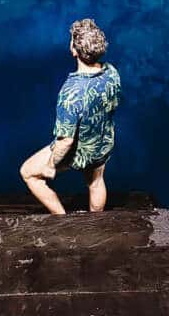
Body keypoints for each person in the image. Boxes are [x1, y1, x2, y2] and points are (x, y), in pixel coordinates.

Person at [20, 18, 121, 215]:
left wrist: (51, 166)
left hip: (79, 152)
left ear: (74, 50)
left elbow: (66, 141)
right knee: (96, 182)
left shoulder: (71, 94)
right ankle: (96, 224)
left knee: (28, 173)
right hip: (102, 143)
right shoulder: (111, 72)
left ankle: (63, 219)